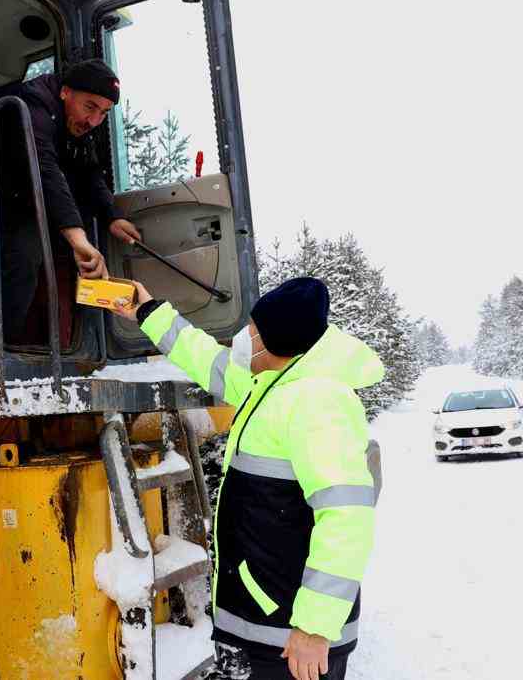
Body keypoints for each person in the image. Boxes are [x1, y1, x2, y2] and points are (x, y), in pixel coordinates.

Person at [111, 277, 381, 680]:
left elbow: (347, 519)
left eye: (252, 330)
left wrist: (315, 627)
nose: (244, 337)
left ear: (277, 341)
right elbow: (207, 360)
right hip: (264, 628)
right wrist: (148, 312)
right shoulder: (272, 384)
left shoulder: (317, 402)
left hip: (291, 640)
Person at [0, 59, 142, 343]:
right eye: (90, 107)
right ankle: (5, 347)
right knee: (26, 255)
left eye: (104, 113)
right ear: (65, 92)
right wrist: (77, 238)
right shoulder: (30, 107)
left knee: (86, 248)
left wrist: (112, 216)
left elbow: (88, 170)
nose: (94, 121)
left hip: (36, 202)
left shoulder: (80, 124)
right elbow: (44, 170)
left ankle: (80, 343)